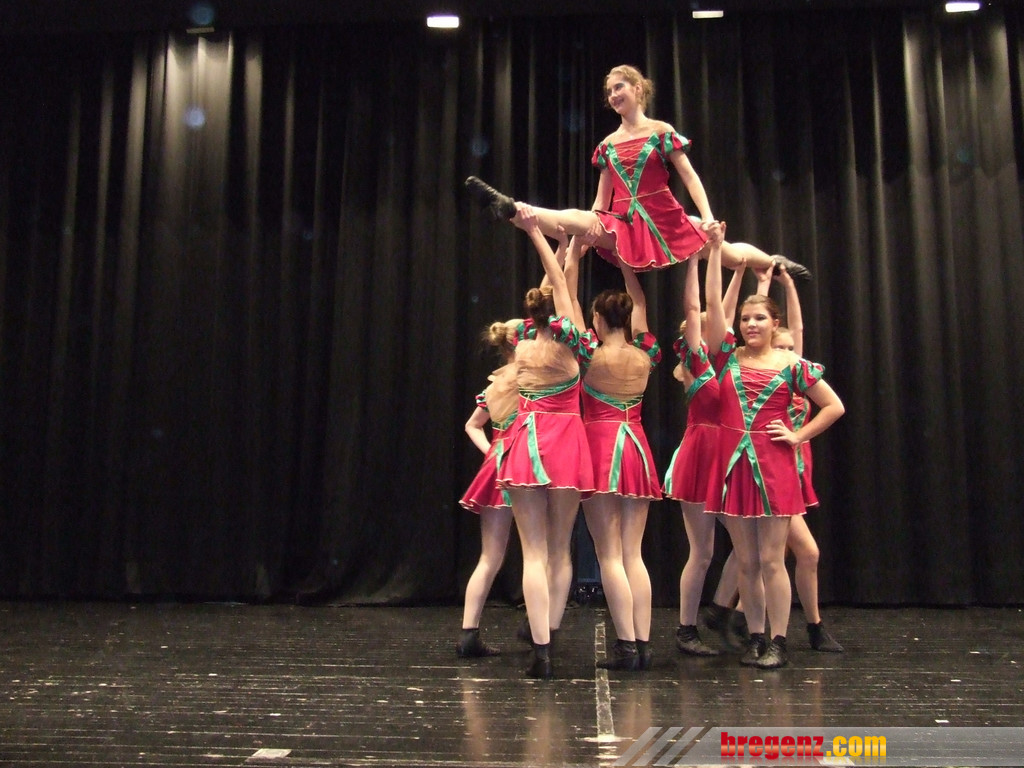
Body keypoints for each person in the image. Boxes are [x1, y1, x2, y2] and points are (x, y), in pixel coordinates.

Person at [464, 64, 810, 279]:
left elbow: (689, 176)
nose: (613, 95)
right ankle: (511, 207)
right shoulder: (608, 144)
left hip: (664, 218)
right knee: (575, 219)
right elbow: (601, 201)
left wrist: (707, 217)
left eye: (619, 87)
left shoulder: (660, 131)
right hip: (624, 221)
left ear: (638, 89)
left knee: (730, 256)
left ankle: (772, 262)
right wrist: (588, 234)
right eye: (609, 91)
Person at [703, 223, 845, 669]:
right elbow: (712, 307)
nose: (751, 324)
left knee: (770, 561)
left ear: (774, 323)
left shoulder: (792, 363)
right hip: (734, 468)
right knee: (746, 563)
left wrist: (798, 435)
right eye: (746, 319)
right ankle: (756, 637)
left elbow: (834, 406)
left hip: (775, 466)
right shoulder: (726, 357)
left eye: (759, 318)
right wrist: (714, 254)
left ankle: (779, 642)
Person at [497, 203, 597, 679]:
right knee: (559, 550)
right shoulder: (574, 344)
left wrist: (549, 242)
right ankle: (550, 633)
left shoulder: (520, 341)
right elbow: (558, 287)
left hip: (527, 442)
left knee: (533, 552)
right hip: (566, 444)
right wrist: (547, 240)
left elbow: (549, 291)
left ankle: (541, 649)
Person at [662, 222, 748, 656]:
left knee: (747, 547)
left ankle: (723, 612)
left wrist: (739, 271)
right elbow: (700, 305)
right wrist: (700, 256)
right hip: (700, 455)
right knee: (703, 552)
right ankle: (686, 628)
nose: (720, 327)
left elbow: (722, 308)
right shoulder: (696, 361)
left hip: (729, 453)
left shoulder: (727, 356)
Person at [578, 261, 662, 671]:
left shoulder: (587, 355)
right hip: (636, 449)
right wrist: (629, 267)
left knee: (609, 554)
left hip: (600, 449)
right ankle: (642, 644)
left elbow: (565, 302)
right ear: (626, 317)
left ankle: (626, 645)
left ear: (597, 317)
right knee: (633, 554)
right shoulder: (646, 352)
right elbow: (641, 304)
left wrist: (572, 255)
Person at [456, 319, 521, 658]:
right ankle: (542, 629)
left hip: (499, 466)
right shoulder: (532, 379)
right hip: (526, 467)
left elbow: (472, 425)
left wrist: (493, 451)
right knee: (543, 553)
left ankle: (469, 632)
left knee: (490, 557)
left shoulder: (496, 383)